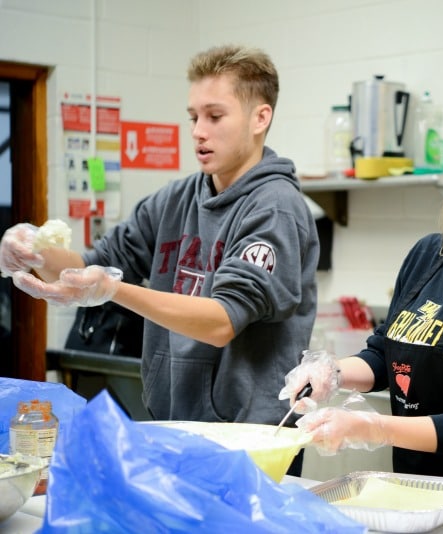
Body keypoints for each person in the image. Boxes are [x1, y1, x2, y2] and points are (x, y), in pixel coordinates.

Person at [0, 45, 319, 451]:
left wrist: (113, 290)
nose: (198, 131)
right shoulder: (175, 199)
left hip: (251, 440)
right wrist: (31, 251)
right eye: (194, 117)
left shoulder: (274, 207)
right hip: (177, 425)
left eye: (215, 116)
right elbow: (89, 265)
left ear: (261, 118)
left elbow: (221, 321)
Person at [281, 137, 443, 517]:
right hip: (412, 496)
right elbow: (381, 355)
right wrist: (330, 372)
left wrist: (368, 427)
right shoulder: (427, 254)